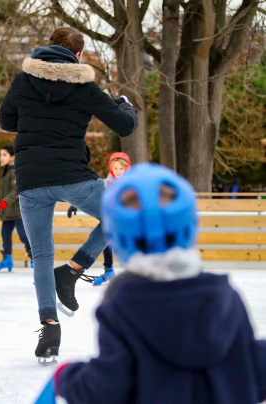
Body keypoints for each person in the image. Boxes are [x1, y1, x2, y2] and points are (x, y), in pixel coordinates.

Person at [36, 163, 266, 403]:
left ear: (116, 237)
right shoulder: (225, 298)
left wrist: (66, 378)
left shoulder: (122, 308)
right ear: (189, 226)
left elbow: (106, 386)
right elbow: (253, 367)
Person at [0, 26, 138, 361]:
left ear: (48, 48)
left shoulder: (23, 80)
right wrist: (124, 104)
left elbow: (6, 120)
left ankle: (49, 329)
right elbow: (125, 125)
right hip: (73, 175)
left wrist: (34, 118)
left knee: (42, 255)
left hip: (30, 178)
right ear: (77, 55)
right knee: (120, 213)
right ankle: (74, 269)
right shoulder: (85, 86)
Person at [67, 152, 131, 286]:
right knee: (104, 241)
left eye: (121, 169)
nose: (118, 172)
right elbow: (90, 194)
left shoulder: (130, 183)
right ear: (111, 168)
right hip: (111, 219)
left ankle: (135, 273)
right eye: (115, 168)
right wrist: (75, 204)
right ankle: (109, 271)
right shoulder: (106, 183)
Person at [0, 145, 32, 271]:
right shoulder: (5, 172)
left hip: (18, 211)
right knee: (5, 236)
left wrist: (5, 202)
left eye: (4, 155)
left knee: (23, 235)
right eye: (0, 155)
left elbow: (16, 190)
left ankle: (35, 257)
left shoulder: (14, 171)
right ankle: (7, 260)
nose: (1, 158)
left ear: (12, 157)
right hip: (7, 212)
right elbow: (3, 191)